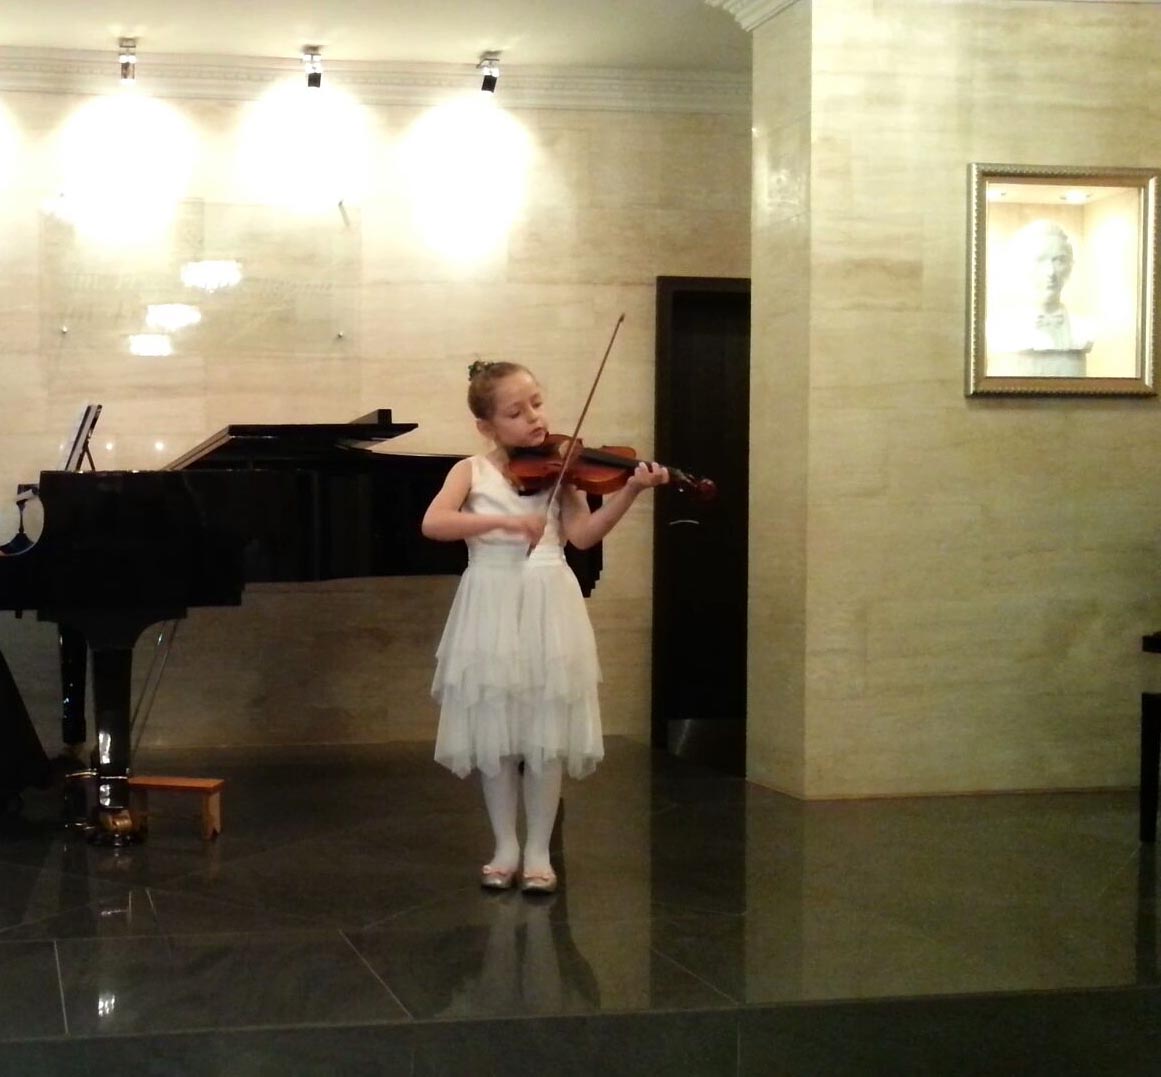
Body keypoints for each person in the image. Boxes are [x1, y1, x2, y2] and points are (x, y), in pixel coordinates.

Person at [422, 360, 668, 894]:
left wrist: (630, 491)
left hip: (549, 602)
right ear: (486, 426)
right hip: (491, 603)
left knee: (545, 733)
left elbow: (582, 536)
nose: (534, 418)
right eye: (516, 412)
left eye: (536, 403)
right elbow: (434, 522)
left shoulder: (562, 470)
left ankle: (538, 850)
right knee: (496, 732)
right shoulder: (470, 470)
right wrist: (507, 521)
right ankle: (504, 846)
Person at [987, 219, 1095, 377]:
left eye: (1059, 260)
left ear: (1070, 267)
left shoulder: (1084, 328)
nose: (1051, 272)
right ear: (1019, 266)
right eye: (1039, 260)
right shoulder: (999, 327)